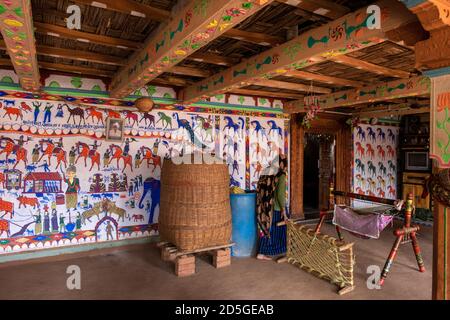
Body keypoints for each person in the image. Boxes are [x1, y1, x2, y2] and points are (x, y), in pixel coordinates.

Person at [256, 155, 288, 261]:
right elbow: (280, 194)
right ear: (282, 164)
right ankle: (276, 250)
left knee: (265, 228)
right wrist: (283, 210)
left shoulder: (266, 171)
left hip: (263, 206)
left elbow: (260, 188)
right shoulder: (281, 175)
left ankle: (261, 252)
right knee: (278, 230)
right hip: (276, 208)